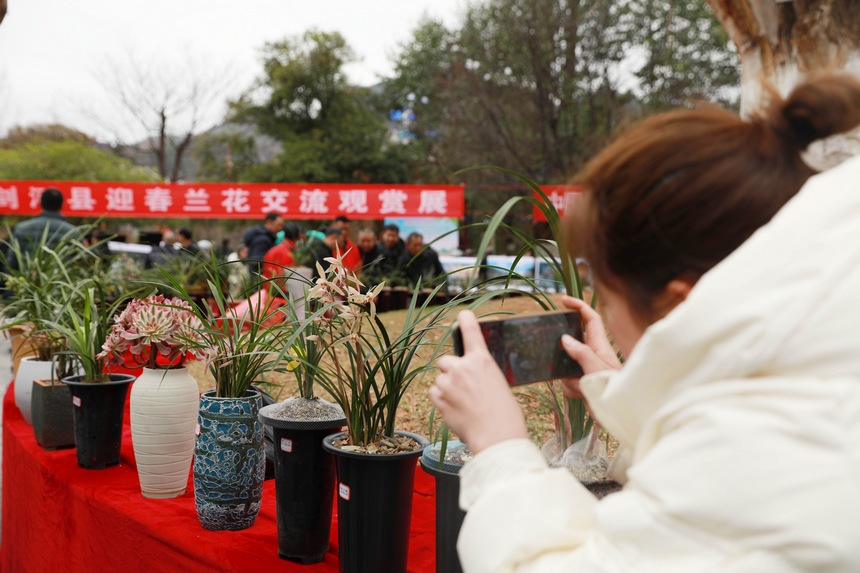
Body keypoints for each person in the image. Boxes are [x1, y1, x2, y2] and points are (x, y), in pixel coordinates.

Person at [430, 74, 860, 571]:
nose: (607, 315)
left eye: (608, 299)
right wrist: (613, 388)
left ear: (677, 301)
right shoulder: (815, 361)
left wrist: (499, 446)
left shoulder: (752, 449)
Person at [10, 188, 77, 260]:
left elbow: (12, 259)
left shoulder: (21, 228)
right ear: (61, 204)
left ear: (41, 203)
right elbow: (78, 261)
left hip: (26, 271)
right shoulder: (73, 232)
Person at [243, 212, 284, 279]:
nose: (280, 228)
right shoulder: (262, 239)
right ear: (269, 222)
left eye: (282, 225)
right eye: (279, 225)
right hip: (259, 280)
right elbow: (256, 262)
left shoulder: (266, 237)